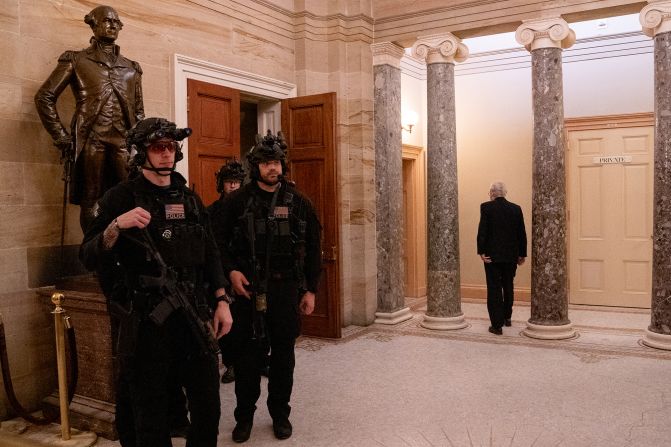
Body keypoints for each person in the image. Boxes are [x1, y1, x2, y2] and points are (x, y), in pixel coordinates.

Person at [79, 117, 233, 446]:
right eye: (158, 147)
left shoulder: (188, 198)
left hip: (193, 313)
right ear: (142, 152)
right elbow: (88, 254)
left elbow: (211, 253)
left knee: (208, 406)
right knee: (149, 410)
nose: (166, 154)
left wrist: (221, 300)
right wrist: (117, 225)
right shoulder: (120, 197)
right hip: (147, 323)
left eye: (171, 147)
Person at [210, 131, 321, 443]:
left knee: (284, 358)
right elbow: (215, 243)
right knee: (247, 360)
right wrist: (230, 272)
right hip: (246, 293)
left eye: (277, 162)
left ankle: (280, 414)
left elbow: (314, 247)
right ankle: (244, 417)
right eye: (266, 163)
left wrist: (310, 289)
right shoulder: (236, 202)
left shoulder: (299, 202)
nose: (273, 168)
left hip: (285, 292)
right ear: (255, 166)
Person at [35, 5, 144, 231]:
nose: (112, 25)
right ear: (93, 24)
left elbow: (139, 111)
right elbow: (44, 96)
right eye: (106, 20)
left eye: (116, 21)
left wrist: (141, 144)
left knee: (129, 196)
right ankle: (94, 252)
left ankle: (126, 252)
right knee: (91, 197)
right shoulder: (76, 60)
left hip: (124, 141)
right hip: (92, 140)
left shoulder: (132, 68)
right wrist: (61, 136)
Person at [209, 159, 246, 384]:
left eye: (237, 182)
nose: (233, 186)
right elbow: (212, 246)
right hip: (222, 272)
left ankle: (257, 360)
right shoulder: (212, 211)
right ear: (221, 184)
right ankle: (231, 363)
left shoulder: (249, 208)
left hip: (246, 270)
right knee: (227, 323)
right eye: (229, 182)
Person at [477, 181, 527, 335]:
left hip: (492, 256)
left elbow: (483, 230)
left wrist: (481, 251)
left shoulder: (486, 207)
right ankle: (507, 317)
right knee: (508, 285)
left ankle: (496, 325)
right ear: (505, 192)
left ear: (492, 193)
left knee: (494, 288)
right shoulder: (516, 209)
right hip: (511, 256)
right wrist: (522, 254)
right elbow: (521, 233)